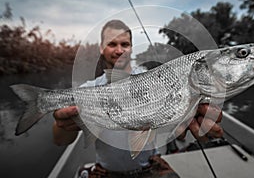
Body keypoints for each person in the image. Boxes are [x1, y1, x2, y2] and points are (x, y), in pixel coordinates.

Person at [52, 20, 223, 177]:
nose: (119, 50)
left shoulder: (154, 80)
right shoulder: (87, 90)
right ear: (101, 48)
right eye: (112, 44)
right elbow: (60, 141)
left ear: (132, 47)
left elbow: (173, 125)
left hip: (149, 167)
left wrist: (186, 112)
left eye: (124, 44)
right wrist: (64, 124)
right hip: (106, 172)